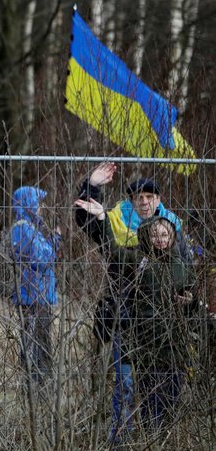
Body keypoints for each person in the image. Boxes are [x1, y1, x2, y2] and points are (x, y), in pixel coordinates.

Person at [73, 162, 183, 442]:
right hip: (124, 317)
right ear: (131, 200)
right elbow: (88, 220)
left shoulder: (172, 229)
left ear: (159, 200)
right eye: (139, 198)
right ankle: (120, 441)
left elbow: (187, 273)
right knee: (125, 386)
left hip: (162, 325)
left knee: (158, 386)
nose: (144, 202)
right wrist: (92, 187)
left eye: (150, 197)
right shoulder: (116, 222)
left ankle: (154, 439)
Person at [10, 186, 60, 388]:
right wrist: (55, 240)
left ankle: (41, 387)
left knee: (42, 344)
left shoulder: (31, 228)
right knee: (34, 347)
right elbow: (39, 261)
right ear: (28, 204)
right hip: (31, 298)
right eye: (38, 203)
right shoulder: (22, 228)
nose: (42, 208)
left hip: (39, 297)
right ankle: (34, 389)